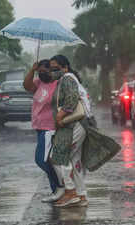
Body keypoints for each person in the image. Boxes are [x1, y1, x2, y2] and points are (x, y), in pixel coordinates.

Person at [48, 55, 89, 207]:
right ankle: (81, 194)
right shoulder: (65, 79)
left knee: (59, 156)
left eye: (55, 68)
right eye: (51, 69)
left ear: (65, 67)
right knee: (74, 160)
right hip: (76, 125)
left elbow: (72, 99)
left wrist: (60, 115)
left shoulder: (67, 79)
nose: (52, 71)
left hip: (74, 125)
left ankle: (70, 192)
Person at [23, 60, 65, 203]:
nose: (41, 74)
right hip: (39, 127)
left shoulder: (57, 84)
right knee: (46, 161)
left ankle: (60, 187)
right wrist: (32, 70)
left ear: (50, 71)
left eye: (44, 71)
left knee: (42, 160)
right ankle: (57, 189)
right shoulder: (38, 82)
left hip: (50, 128)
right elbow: (26, 86)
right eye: (39, 72)